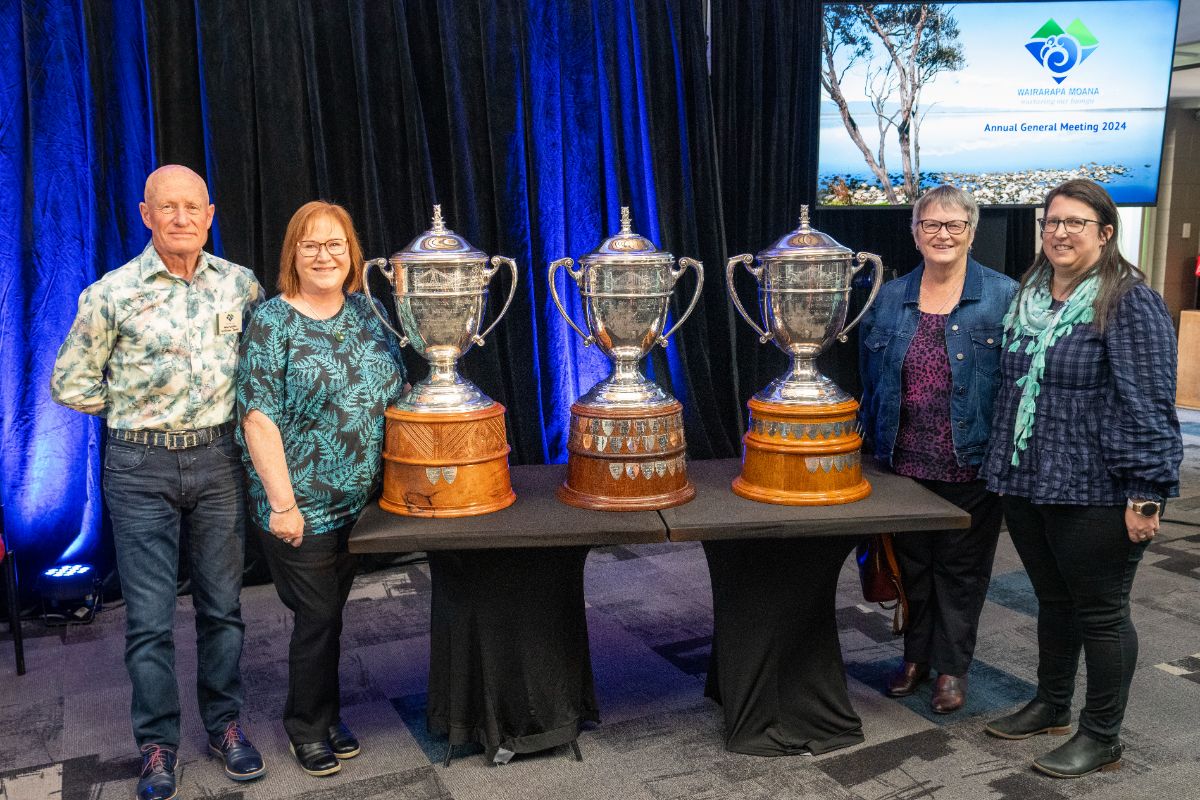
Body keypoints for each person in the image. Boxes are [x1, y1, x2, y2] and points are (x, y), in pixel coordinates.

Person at [50, 165, 265, 800]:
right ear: (146, 215)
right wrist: (137, 407)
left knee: (223, 608)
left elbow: (259, 365)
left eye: (192, 207)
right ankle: (157, 745)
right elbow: (69, 383)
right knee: (148, 620)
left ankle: (224, 726)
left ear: (209, 215)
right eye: (166, 207)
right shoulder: (110, 293)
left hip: (220, 461)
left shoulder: (241, 286)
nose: (180, 218)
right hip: (139, 467)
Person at [980, 179, 1182, 778]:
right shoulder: (1031, 293)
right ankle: (1051, 704)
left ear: (1105, 232)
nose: (1059, 232)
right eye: (1051, 222)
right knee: (1053, 600)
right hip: (1028, 480)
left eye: (1075, 222)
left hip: (1097, 487)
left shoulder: (1128, 301)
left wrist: (1146, 493)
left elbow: (1149, 403)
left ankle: (1102, 735)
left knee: (1102, 612)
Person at [237, 201, 405, 777]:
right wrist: (283, 505)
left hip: (361, 504)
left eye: (335, 245)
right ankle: (306, 727)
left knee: (330, 614)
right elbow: (258, 418)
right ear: (293, 254)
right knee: (317, 616)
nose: (324, 255)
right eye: (310, 245)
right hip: (299, 504)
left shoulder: (370, 312)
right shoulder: (272, 321)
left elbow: (393, 392)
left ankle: (328, 716)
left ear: (352, 255)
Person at [859, 185, 1016, 714]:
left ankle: (952, 668)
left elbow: (1016, 386)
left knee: (961, 571)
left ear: (971, 232)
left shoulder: (1004, 297)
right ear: (915, 233)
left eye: (954, 225)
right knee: (913, 569)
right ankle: (915, 658)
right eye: (931, 224)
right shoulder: (889, 298)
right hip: (902, 463)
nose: (942, 234)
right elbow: (870, 378)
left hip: (970, 462)